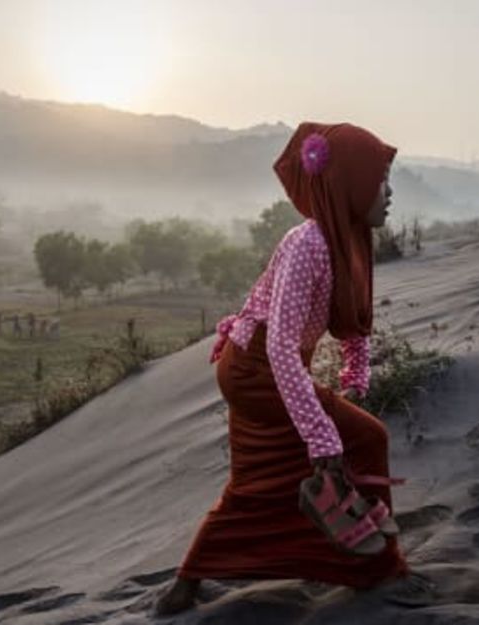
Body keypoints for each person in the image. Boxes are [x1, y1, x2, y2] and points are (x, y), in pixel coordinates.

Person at [156, 122, 431, 616]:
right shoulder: (309, 244)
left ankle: (187, 583)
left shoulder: (349, 239)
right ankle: (377, 568)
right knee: (367, 440)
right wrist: (323, 438)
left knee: (255, 483)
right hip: (257, 368)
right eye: (380, 181)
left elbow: (354, 322)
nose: (388, 195)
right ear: (350, 183)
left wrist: (354, 380)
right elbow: (281, 344)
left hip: (270, 368)